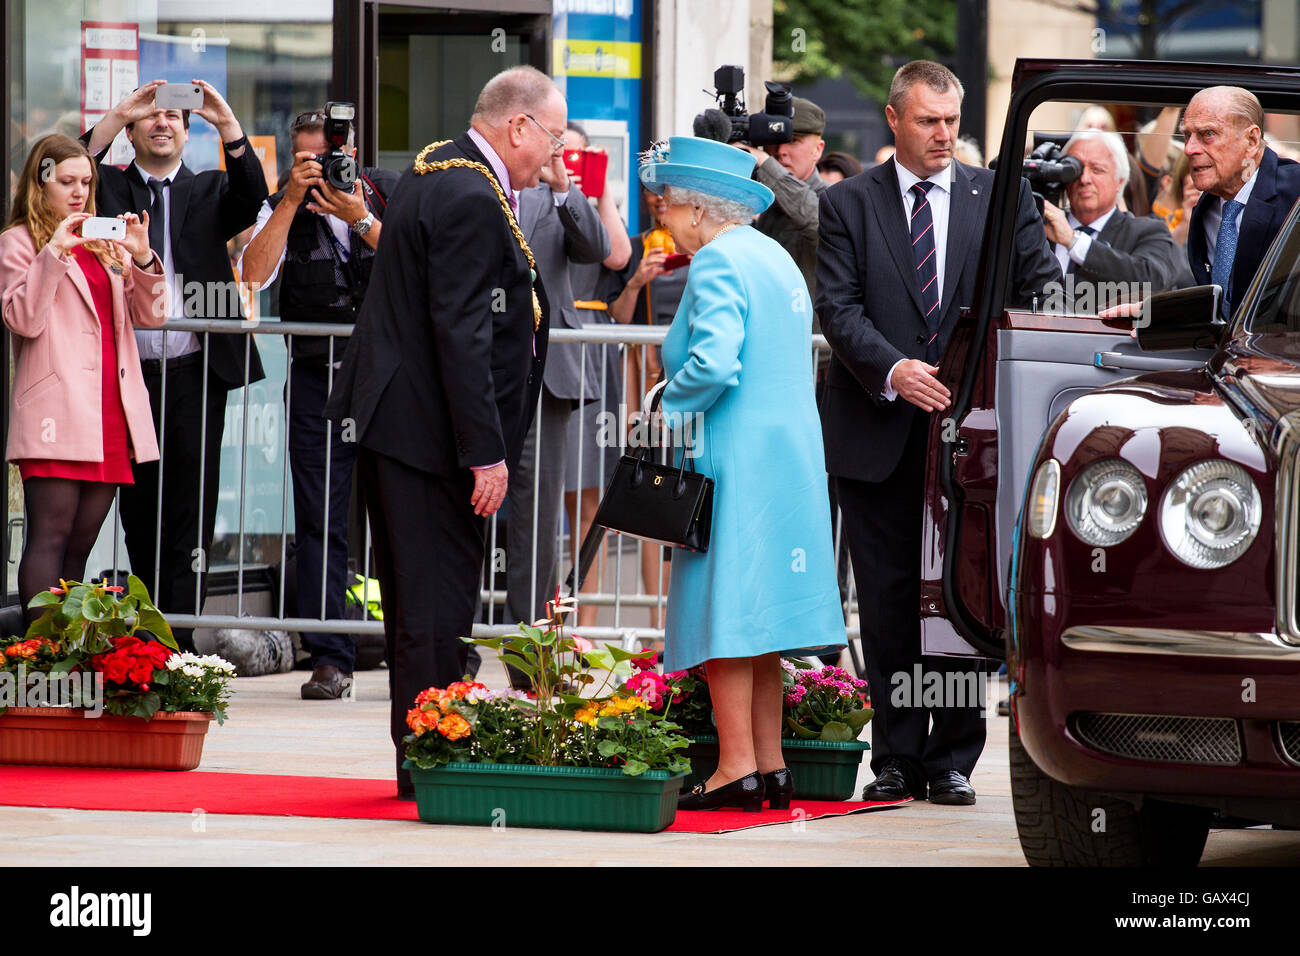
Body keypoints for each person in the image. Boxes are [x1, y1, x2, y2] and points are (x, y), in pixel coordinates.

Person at [816, 60, 1060, 806]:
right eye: (928, 121)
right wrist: (893, 371)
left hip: (970, 439)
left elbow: (1039, 291)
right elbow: (839, 305)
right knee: (889, 601)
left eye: (952, 121)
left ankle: (952, 754)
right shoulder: (850, 204)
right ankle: (895, 755)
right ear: (893, 119)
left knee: (959, 596)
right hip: (879, 430)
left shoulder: (1004, 197)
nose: (944, 135)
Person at [323, 65, 563, 799]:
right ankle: (433, 759)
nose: (554, 158)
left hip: (402, 427)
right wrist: (484, 450)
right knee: (435, 609)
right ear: (516, 125)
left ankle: (420, 757)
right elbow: (459, 330)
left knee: (416, 607)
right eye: (550, 139)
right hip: (429, 438)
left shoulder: (438, 170)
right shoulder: (467, 190)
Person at [639, 136, 846, 811]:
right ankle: (769, 765)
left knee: (723, 611)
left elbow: (714, 363)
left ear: (698, 209)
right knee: (760, 620)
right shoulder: (773, 254)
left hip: (732, 455)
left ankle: (735, 768)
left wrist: (663, 409)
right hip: (785, 458)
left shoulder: (719, 258)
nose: (662, 217)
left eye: (667, 205)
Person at [82, 80, 268, 651]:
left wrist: (227, 123)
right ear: (133, 132)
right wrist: (117, 113)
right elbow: (69, 165)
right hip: (128, 375)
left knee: (192, 511)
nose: (162, 123)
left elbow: (253, 194)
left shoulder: (210, 188)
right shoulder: (108, 186)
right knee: (139, 508)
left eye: (174, 118)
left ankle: (179, 645)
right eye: (150, 117)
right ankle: (144, 637)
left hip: (196, 373)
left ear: (187, 133)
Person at [238, 110, 398, 700]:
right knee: (319, 517)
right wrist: (288, 201)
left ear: (350, 149)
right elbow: (251, 278)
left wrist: (361, 218)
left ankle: (420, 646)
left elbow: (418, 263)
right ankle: (330, 654)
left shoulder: (387, 191)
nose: (321, 168)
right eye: (307, 159)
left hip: (389, 378)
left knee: (402, 511)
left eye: (329, 156)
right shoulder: (281, 204)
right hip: (317, 378)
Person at [0, 135, 167, 621]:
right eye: (66, 181)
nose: (79, 192)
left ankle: (70, 655)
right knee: (48, 538)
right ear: (40, 182)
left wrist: (141, 257)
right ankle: (39, 657)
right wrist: (53, 253)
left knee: (80, 546)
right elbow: (23, 319)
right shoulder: (19, 242)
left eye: (86, 181)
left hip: (107, 410)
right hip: (56, 408)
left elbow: (153, 317)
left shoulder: (103, 241)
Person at [503, 122, 610, 658]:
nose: (554, 151)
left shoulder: (560, 195)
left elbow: (599, 248)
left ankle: (529, 649)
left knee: (538, 518)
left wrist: (566, 185)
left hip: (548, 376)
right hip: (480, 367)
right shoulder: (481, 186)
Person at [1183, 85, 1300, 318]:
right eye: (1187, 135)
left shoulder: (1295, 194)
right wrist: (1158, 314)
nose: (1189, 149)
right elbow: (1221, 311)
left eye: (1208, 134)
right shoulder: (1206, 208)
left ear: (1252, 139)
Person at [1039, 129, 1185, 298]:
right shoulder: (1040, 225)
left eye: (1097, 170)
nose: (1084, 179)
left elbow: (1152, 281)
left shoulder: (1148, 231)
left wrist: (1074, 242)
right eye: (1076, 168)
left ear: (1119, 181)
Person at [750, 97, 828, 300]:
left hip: (811, 331)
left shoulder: (834, 199)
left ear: (817, 150)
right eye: (774, 142)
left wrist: (767, 165)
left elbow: (818, 221)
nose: (780, 151)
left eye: (793, 141)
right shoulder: (762, 196)